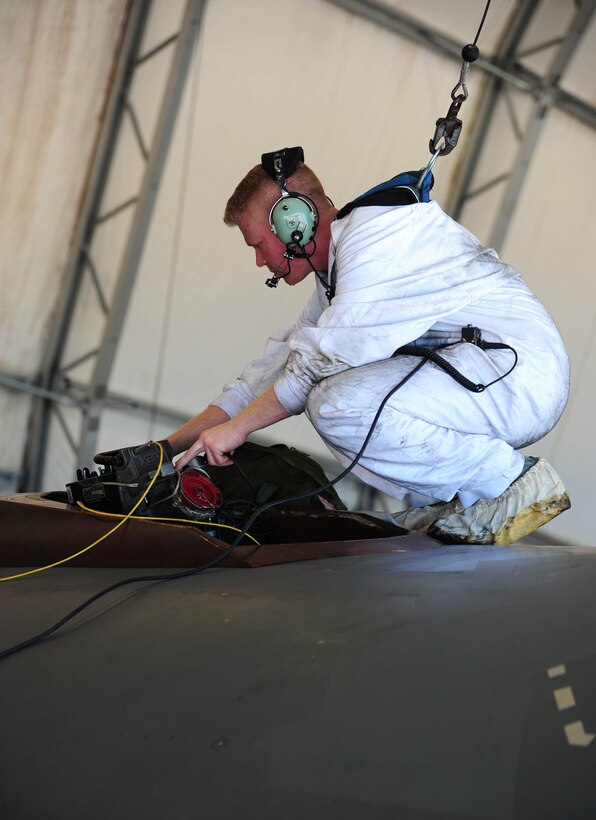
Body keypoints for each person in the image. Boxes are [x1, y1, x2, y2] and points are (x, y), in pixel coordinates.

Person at [167, 149, 570, 545]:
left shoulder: (375, 240)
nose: (259, 261)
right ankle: (452, 499)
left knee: (336, 402)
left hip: (519, 375)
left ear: (296, 222)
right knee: (329, 393)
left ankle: (510, 482)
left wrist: (235, 432)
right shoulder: (338, 281)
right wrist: (164, 449)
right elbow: (267, 376)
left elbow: (312, 370)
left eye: (257, 244)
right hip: (489, 374)